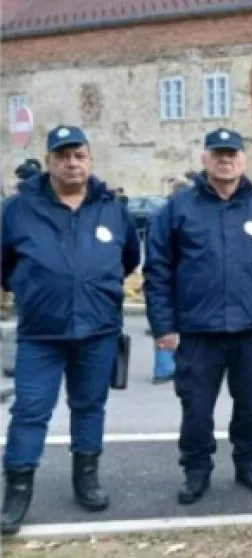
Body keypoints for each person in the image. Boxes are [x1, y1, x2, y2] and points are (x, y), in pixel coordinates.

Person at [143, 127, 252, 505]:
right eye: (218, 153)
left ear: (243, 159)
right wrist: (163, 325)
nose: (225, 159)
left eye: (232, 153)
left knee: (250, 406)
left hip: (251, 330)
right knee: (196, 409)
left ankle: (249, 464)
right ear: (204, 159)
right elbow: (158, 269)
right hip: (198, 332)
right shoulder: (179, 209)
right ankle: (196, 470)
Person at [0, 125, 140, 534]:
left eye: (79, 155)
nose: (72, 163)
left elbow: (128, 257)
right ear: (49, 163)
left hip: (98, 332)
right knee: (29, 412)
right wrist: (32, 288)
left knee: (89, 406)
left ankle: (87, 478)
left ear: (90, 160)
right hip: (41, 334)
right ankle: (17, 491)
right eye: (62, 156)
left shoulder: (112, 207)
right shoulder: (18, 208)